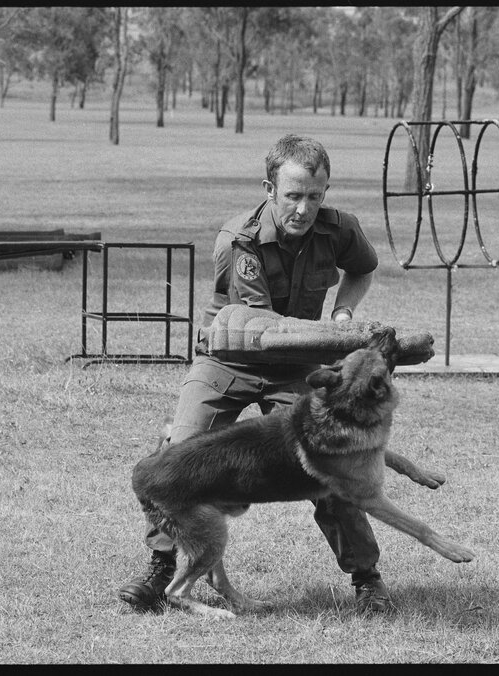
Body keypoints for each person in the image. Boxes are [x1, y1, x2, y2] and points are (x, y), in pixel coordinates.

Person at [118, 134, 390, 614]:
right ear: (269, 189)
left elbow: (363, 270)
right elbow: (264, 328)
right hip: (230, 359)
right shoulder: (239, 240)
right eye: (293, 195)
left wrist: (345, 313)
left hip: (295, 368)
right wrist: (338, 340)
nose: (304, 208)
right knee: (180, 452)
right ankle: (160, 571)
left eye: (315, 195)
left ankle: (367, 581)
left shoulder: (340, 229)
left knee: (331, 463)